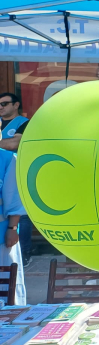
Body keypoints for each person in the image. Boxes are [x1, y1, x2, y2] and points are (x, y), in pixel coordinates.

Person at [0, 93, 31, 267]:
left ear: (16, 105)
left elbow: (14, 144)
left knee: (20, 214)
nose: (1, 107)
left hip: (18, 172)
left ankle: (25, 253)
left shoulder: (24, 123)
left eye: (4, 103)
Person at [0, 150, 26, 305]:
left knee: (7, 285)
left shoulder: (8, 159)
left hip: (2, 236)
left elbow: (14, 197)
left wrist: (12, 228)